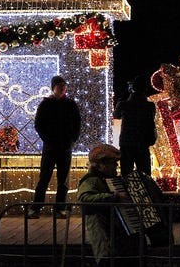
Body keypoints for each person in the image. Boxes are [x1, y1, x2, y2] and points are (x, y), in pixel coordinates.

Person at [28, 75, 82, 218]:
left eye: (64, 86)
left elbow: (77, 124)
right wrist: (48, 140)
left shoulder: (71, 104)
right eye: (59, 86)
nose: (63, 88)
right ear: (54, 88)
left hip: (65, 147)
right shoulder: (46, 104)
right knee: (44, 178)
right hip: (50, 147)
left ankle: (59, 209)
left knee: (63, 180)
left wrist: (72, 140)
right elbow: (39, 125)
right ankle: (36, 208)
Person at [76, 144, 137, 266]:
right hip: (102, 231)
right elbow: (84, 199)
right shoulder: (91, 180)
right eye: (113, 163)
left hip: (114, 231)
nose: (116, 166)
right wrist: (113, 197)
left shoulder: (110, 180)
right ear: (100, 165)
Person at [113, 75, 157, 176]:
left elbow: (116, 116)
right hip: (143, 143)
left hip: (127, 143)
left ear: (132, 88)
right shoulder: (150, 106)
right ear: (145, 89)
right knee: (145, 174)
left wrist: (123, 98)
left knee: (126, 173)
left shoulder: (124, 104)